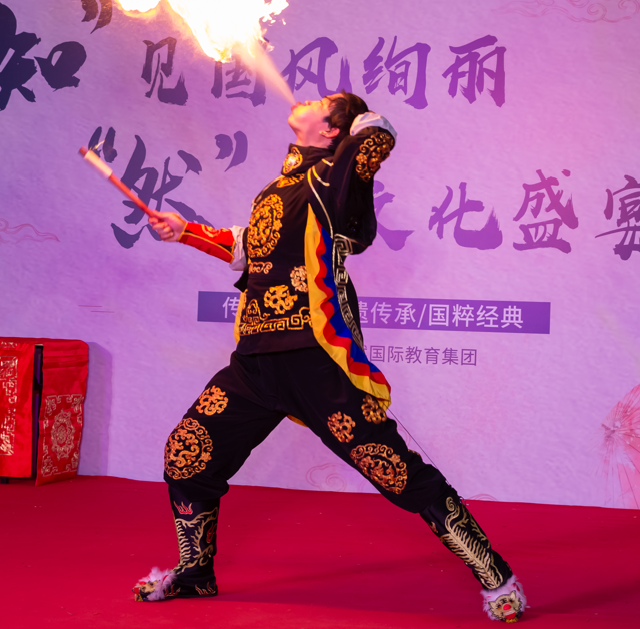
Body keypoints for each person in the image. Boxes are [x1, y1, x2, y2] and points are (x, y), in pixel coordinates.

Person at [132, 91, 527, 622]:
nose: (307, 99)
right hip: (255, 361)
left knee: (394, 471)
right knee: (187, 453)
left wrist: (364, 124)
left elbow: (373, 145)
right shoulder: (278, 189)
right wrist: (186, 233)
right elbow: (250, 247)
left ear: (332, 132)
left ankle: (493, 573)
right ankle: (195, 571)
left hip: (316, 358)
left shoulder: (334, 179)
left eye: (325, 102)